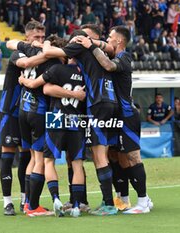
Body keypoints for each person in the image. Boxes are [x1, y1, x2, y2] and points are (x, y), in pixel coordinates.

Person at [76, 26, 153, 214]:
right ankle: (124, 198)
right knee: (116, 156)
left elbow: (109, 66)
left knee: (133, 157)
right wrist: (94, 42)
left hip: (128, 115)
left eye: (110, 37)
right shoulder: (113, 53)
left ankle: (143, 202)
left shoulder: (124, 57)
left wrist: (90, 45)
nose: (107, 40)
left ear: (118, 41)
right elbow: (105, 48)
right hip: (116, 115)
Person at [43, 24, 119, 216]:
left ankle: (107, 204)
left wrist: (43, 43)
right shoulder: (99, 54)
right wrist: (95, 42)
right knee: (86, 159)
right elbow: (110, 48)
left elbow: (48, 59)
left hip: (85, 108)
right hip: (100, 106)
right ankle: (83, 203)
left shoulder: (72, 52)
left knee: (94, 156)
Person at [18, 32, 87, 217]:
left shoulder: (57, 70)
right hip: (77, 119)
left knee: (48, 161)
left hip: (55, 117)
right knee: (77, 163)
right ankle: (76, 206)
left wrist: (23, 80)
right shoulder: (86, 74)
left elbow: (43, 87)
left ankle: (55, 198)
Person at [0, 21, 48, 216]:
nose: (40, 41)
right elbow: (24, 63)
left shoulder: (40, 54)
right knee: (7, 157)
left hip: (28, 112)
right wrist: (47, 52)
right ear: (27, 38)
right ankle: (6, 202)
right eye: (37, 37)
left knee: (27, 157)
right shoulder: (18, 53)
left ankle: (24, 199)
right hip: (10, 111)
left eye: (43, 38)